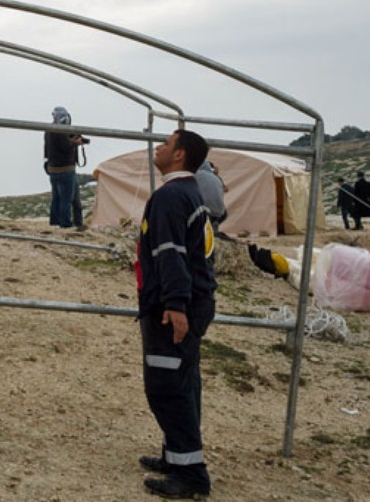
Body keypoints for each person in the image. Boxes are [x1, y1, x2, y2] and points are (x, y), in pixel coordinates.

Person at [135, 130, 217, 499]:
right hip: (186, 303)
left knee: (167, 388)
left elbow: (171, 253)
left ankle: (192, 477)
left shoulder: (171, 196)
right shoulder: (186, 193)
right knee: (183, 381)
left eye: (165, 144)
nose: (158, 147)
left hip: (175, 310)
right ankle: (176, 456)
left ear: (180, 154)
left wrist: (175, 305)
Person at [44, 106, 85, 229]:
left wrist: (72, 138)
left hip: (53, 169)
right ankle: (66, 224)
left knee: (56, 198)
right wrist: (75, 143)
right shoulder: (60, 131)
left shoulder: (48, 130)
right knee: (67, 199)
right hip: (66, 169)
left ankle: (55, 222)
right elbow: (65, 147)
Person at [194, 159, 227, 231]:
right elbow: (225, 189)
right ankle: (212, 223)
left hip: (204, 212)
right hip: (220, 213)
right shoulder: (216, 178)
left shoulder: (194, 174)